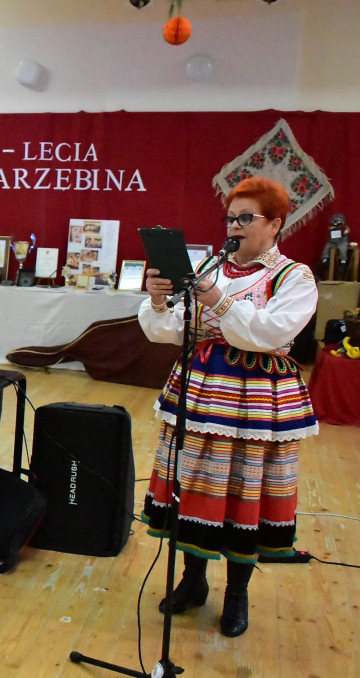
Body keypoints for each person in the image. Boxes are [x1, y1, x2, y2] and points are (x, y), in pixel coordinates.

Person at [139, 176, 319, 638]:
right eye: (230, 217)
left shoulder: (294, 276)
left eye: (246, 218)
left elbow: (268, 333)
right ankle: (194, 579)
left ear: (275, 223)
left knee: (245, 491)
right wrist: (160, 300)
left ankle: (237, 591)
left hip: (256, 400)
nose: (234, 226)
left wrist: (216, 300)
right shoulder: (212, 268)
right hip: (201, 391)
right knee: (197, 481)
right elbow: (172, 331)